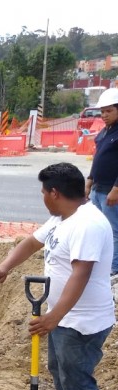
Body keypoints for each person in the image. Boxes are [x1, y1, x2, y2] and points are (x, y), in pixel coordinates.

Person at [0, 162, 117, 390]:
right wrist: (4, 267)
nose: (42, 197)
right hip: (65, 317)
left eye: (43, 192)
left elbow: (80, 275)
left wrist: (53, 318)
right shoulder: (62, 218)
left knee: (78, 381)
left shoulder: (87, 225)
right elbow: (31, 243)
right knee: (61, 371)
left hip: (83, 321)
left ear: (54, 193)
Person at [86, 87, 118, 275]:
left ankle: (113, 268)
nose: (104, 115)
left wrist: (116, 188)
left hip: (110, 190)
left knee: (114, 230)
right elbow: (98, 157)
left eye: (109, 111)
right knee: (99, 228)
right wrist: (89, 180)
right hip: (98, 188)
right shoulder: (105, 132)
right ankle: (102, 262)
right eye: (102, 111)